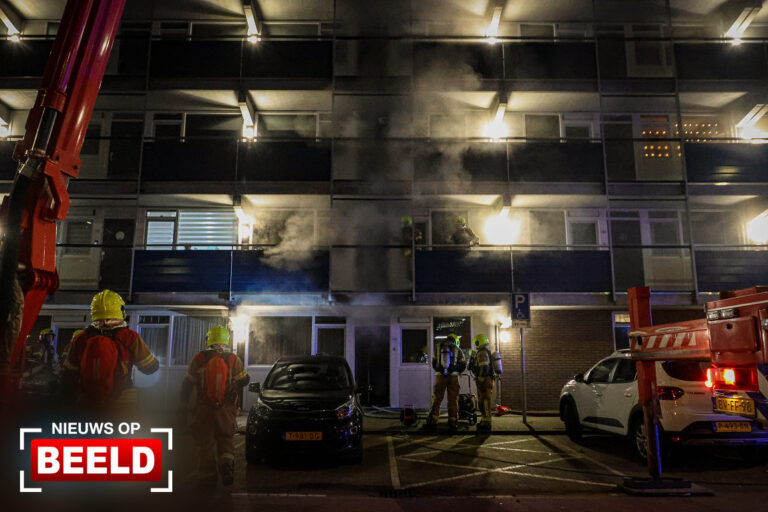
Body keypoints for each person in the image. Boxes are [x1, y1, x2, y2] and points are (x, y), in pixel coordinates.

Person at [179, 325, 250, 489]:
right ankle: (226, 466)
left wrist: (182, 404)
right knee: (225, 439)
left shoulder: (199, 358)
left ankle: (207, 478)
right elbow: (245, 379)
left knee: (206, 443)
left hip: (204, 408)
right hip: (226, 409)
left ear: (208, 340)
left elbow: (187, 383)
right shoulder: (233, 359)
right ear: (226, 341)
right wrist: (234, 385)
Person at [63, 290, 159, 410]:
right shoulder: (130, 337)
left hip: (87, 402)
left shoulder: (80, 339)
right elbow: (150, 368)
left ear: (93, 313)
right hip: (123, 402)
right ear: (121, 311)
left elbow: (69, 374)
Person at [424, 334, 467, 431]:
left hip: (440, 377)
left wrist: (440, 371)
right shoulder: (458, 349)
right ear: (454, 341)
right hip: (453, 377)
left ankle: (433, 420)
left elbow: (434, 362)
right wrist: (456, 370)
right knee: (453, 399)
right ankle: (452, 421)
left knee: (437, 398)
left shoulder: (439, 348)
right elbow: (463, 364)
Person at [469, 333, 496, 431]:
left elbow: (484, 368)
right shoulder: (482, 352)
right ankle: (484, 420)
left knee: (485, 401)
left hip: (484, 380)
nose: (475, 344)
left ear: (480, 341)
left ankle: (487, 423)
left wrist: (480, 379)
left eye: (476, 342)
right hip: (484, 379)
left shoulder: (482, 353)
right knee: (481, 401)